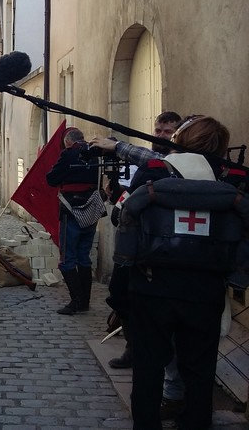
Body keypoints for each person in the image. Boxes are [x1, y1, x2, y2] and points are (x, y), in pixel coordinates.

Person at [114, 115, 239, 429]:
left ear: (179, 140)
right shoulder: (231, 179)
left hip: (152, 284)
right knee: (199, 371)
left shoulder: (154, 171)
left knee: (148, 367)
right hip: (205, 288)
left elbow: (122, 216)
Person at [93, 112, 187, 419]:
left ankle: (172, 396)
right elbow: (132, 198)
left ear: (180, 135)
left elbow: (150, 156)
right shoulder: (152, 164)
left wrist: (116, 144)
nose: (160, 135)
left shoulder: (186, 164)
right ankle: (138, 354)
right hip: (142, 255)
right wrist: (118, 195)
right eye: (157, 129)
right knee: (126, 304)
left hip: (172, 262)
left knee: (172, 338)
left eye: (168, 131)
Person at [45, 127, 104, 315]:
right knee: (83, 256)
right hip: (92, 210)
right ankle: (84, 301)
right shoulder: (96, 155)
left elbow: (52, 179)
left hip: (71, 210)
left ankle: (76, 301)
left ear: (68, 142)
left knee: (67, 258)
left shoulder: (68, 154)